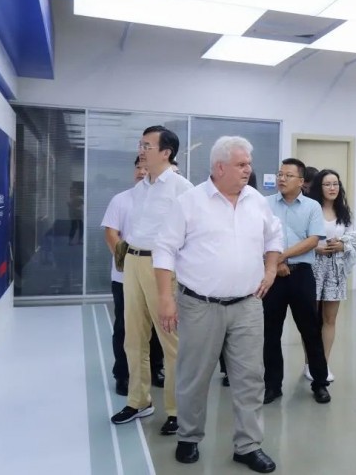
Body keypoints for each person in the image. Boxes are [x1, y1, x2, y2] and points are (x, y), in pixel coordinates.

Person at [153, 136, 281, 472]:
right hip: (199, 305)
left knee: (250, 378)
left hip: (248, 305)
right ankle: (189, 437)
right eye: (241, 164)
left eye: (249, 163)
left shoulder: (256, 201)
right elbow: (164, 249)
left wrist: (270, 269)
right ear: (220, 167)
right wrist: (165, 299)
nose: (248, 170)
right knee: (194, 376)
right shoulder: (190, 202)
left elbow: (274, 236)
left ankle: (248, 445)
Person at [111, 126, 193, 435]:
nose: (141, 150)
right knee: (133, 337)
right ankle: (138, 401)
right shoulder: (141, 187)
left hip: (161, 267)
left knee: (171, 342)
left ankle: (177, 410)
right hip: (132, 261)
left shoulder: (183, 188)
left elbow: (192, 234)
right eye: (141, 144)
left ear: (166, 152)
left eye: (147, 145)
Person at [263, 158, 331, 404]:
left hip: (302, 274)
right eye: (280, 174)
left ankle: (320, 383)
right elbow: (259, 236)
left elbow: (313, 240)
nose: (282, 179)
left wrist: (282, 256)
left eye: (288, 175)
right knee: (270, 332)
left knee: (311, 330)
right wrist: (276, 262)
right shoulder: (265, 204)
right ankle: (272, 385)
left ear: (301, 181)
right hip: (272, 275)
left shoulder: (312, 207)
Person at [101, 156, 164, 397]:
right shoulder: (121, 200)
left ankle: (155, 369)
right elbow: (111, 234)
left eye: (147, 168)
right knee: (126, 327)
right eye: (138, 167)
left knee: (158, 326)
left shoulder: (164, 202)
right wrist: (128, 263)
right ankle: (123, 374)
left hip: (157, 276)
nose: (141, 172)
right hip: (125, 278)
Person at [307, 169, 356, 382]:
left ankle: (323, 364)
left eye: (336, 184)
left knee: (330, 319)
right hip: (312, 267)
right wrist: (316, 248)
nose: (332, 188)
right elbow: (301, 237)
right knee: (310, 319)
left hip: (335, 269)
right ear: (319, 187)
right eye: (327, 184)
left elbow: (353, 237)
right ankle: (310, 364)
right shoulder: (311, 209)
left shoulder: (344, 212)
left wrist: (343, 244)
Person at [220, 171, 258, 388]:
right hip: (216, 289)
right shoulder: (213, 206)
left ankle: (234, 371)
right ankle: (226, 369)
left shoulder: (256, 205)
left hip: (247, 290)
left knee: (244, 338)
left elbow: (270, 239)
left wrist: (271, 267)